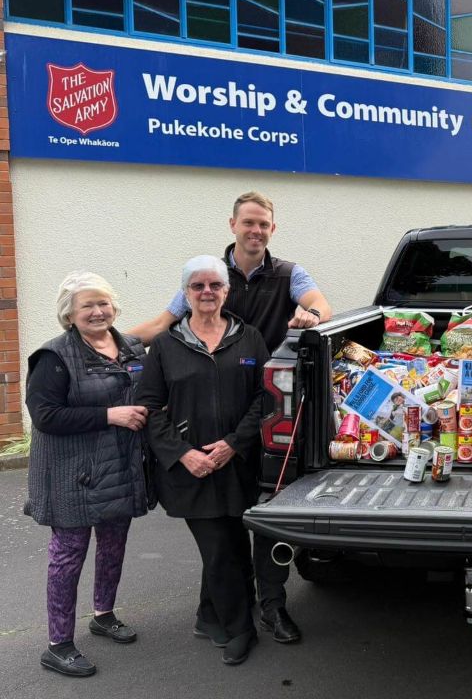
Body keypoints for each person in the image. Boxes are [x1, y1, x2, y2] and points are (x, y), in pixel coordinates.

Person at [130, 191, 331, 644]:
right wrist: (103, 338)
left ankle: (271, 607)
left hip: (272, 416)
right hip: (215, 420)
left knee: (264, 515)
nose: (256, 230)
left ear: (272, 229)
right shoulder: (208, 275)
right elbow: (162, 326)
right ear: (233, 225)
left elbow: (320, 304)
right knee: (223, 529)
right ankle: (223, 612)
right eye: (248, 223)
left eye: (264, 224)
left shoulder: (288, 274)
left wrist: (311, 314)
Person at [136, 256, 270, 666]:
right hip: (190, 470)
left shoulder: (249, 339)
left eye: (215, 285)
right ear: (186, 294)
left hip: (236, 462)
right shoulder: (165, 346)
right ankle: (239, 628)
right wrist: (183, 454)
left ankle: (208, 615)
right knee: (219, 551)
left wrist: (233, 443)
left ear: (227, 291)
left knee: (234, 542)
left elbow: (264, 398)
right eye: (198, 286)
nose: (207, 292)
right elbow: (149, 406)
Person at [24, 272, 149, 678]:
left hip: (118, 467)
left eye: (103, 303)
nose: (98, 311)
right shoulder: (55, 356)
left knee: (114, 545)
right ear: (69, 314)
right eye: (87, 306)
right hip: (70, 474)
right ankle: (58, 644)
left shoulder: (129, 346)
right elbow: (44, 417)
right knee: (68, 556)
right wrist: (109, 415)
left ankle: (103, 614)